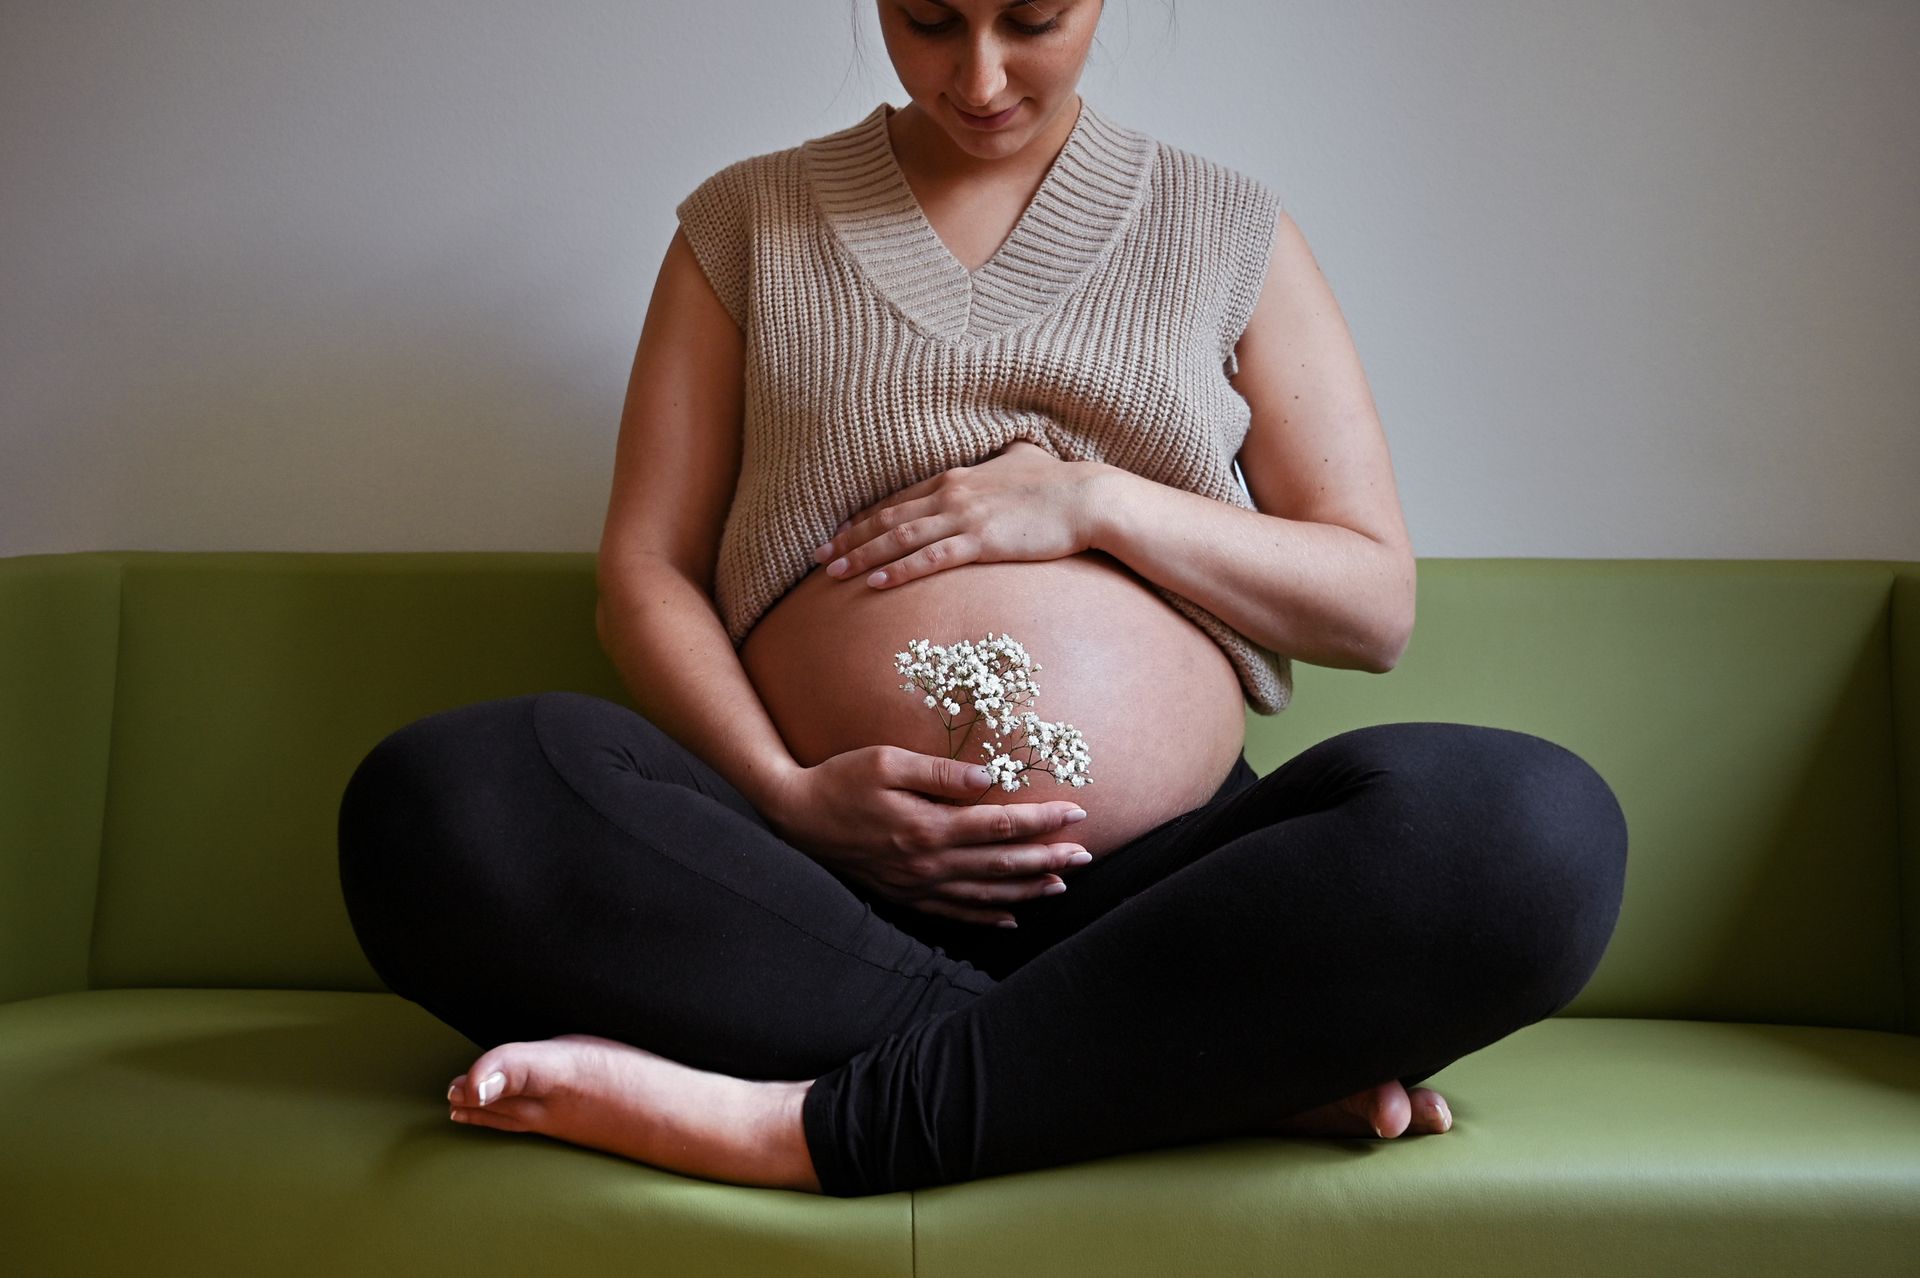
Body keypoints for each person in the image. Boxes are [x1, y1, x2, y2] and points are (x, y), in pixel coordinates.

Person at [336, 0, 1628, 1198]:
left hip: (1174, 902)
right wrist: (792, 795)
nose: (980, 74)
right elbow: (647, 573)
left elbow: (1371, 602)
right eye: (931, 21)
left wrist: (1093, 501)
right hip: (801, 895)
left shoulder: (1228, 227)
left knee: (1534, 829)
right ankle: (1165, 1074)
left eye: (1033, 18)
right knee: (438, 798)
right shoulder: (748, 222)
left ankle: (807, 1126)